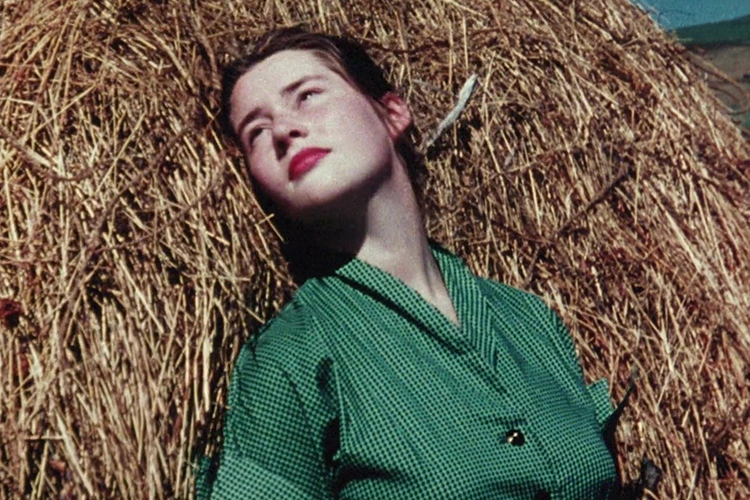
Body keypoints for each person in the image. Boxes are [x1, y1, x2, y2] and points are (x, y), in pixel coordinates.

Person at [197, 27, 620, 500]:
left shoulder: (529, 322)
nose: (283, 130)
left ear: (391, 113)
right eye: (256, 132)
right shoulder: (289, 359)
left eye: (308, 96)